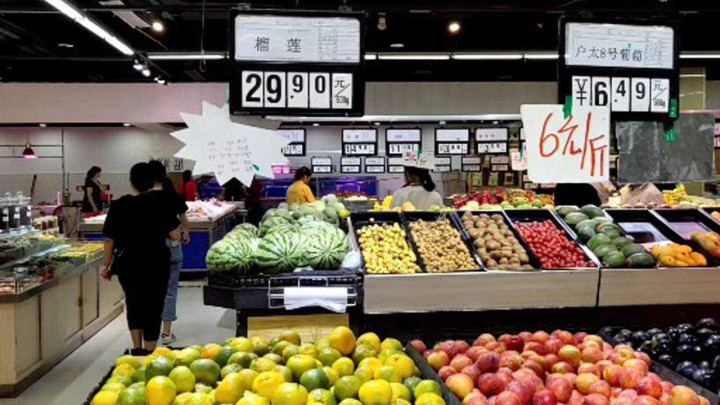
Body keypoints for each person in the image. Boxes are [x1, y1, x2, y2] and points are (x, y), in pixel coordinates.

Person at [101, 163, 181, 354]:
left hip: (128, 263)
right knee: (154, 305)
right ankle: (150, 350)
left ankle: (137, 348)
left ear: (131, 181)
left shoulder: (119, 205)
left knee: (134, 302)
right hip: (156, 262)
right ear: (152, 182)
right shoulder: (160, 204)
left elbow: (110, 240)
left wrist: (106, 265)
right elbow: (175, 235)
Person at [148, 160, 190, 346]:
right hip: (172, 246)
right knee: (170, 290)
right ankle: (166, 333)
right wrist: (186, 234)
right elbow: (184, 220)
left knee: (150, 290)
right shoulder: (174, 197)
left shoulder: (142, 198)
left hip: (149, 248)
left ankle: (149, 332)